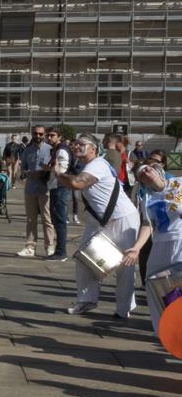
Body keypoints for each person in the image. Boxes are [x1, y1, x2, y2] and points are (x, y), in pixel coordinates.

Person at [57, 133, 139, 318]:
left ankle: (123, 308)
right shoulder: (87, 165)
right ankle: (86, 300)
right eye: (75, 144)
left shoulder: (98, 164)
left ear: (93, 148)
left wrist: (58, 174)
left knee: (124, 264)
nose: (76, 146)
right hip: (99, 221)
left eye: (81, 144)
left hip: (122, 217)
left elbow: (76, 183)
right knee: (85, 258)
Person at [125, 161, 182, 331]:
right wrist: (137, 248)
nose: (146, 172)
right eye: (141, 174)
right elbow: (148, 224)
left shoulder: (179, 183)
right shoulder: (147, 198)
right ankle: (164, 331)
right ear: (140, 182)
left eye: (148, 168)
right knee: (155, 285)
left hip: (180, 241)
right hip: (160, 246)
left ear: (159, 170)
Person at [18, 126, 53, 258]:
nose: (37, 136)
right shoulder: (27, 151)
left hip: (45, 189)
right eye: (35, 134)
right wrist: (25, 173)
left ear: (44, 135)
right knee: (31, 219)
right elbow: (23, 167)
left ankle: (49, 247)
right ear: (32, 134)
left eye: (40, 134)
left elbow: (54, 168)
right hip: (30, 188)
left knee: (47, 219)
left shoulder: (50, 150)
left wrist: (42, 172)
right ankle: (30, 246)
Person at [44, 127, 73, 262]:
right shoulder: (57, 149)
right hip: (57, 188)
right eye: (48, 135)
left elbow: (63, 168)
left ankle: (61, 252)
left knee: (60, 222)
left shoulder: (61, 149)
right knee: (57, 221)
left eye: (53, 135)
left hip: (60, 188)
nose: (49, 138)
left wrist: (48, 169)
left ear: (59, 137)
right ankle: (59, 251)